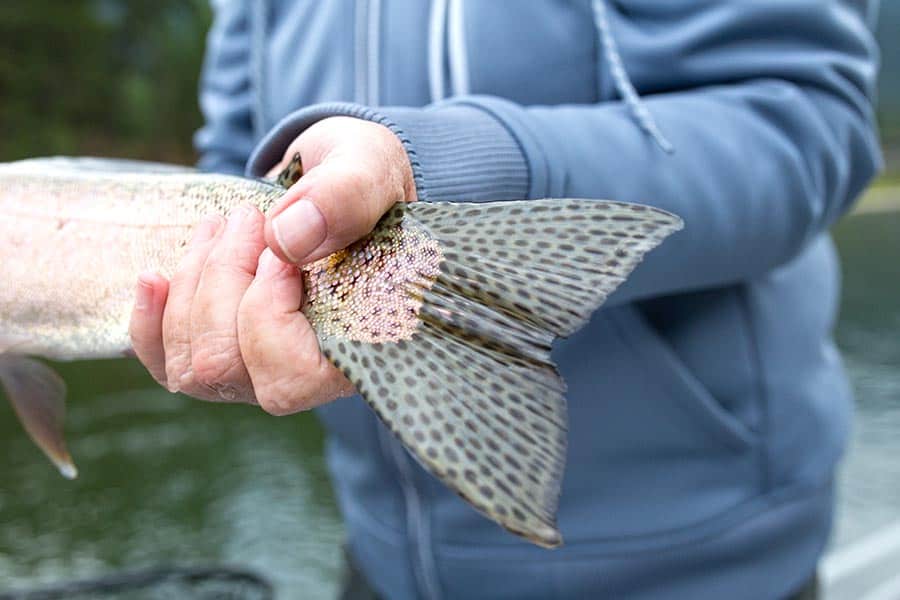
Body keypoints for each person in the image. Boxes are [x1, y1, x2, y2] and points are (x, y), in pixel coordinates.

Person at [127, 1, 882, 598]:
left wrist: (450, 173)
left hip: (705, 571)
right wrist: (222, 289)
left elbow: (800, 123)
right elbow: (233, 159)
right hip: (380, 563)